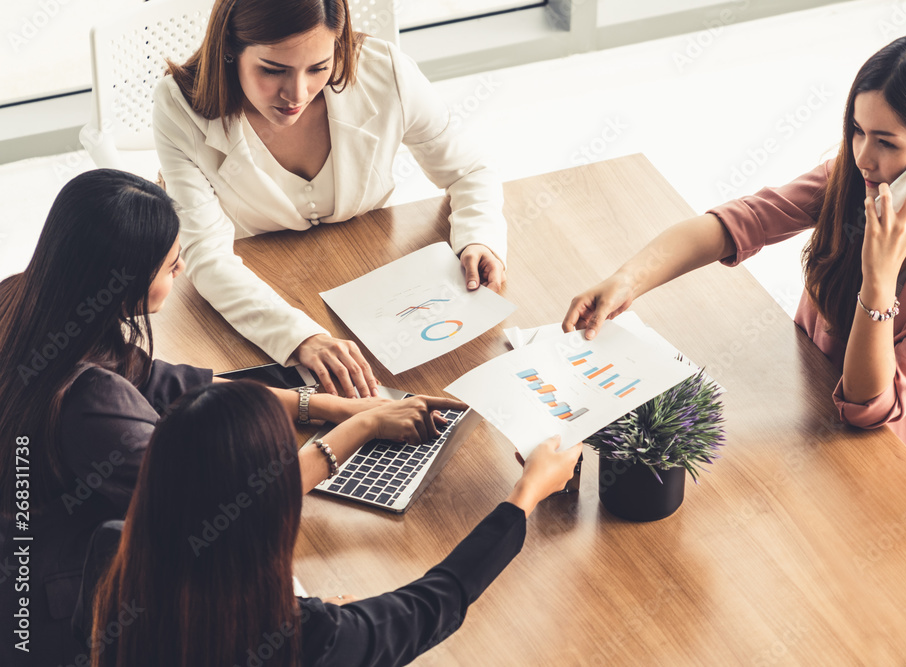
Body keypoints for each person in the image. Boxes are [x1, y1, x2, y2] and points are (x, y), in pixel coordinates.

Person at [0, 169, 464, 666]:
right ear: (124, 284)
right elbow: (229, 501)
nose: (180, 273)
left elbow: (166, 381)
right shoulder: (92, 404)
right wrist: (358, 429)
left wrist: (326, 404)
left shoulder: (25, 299)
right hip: (58, 620)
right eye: (172, 267)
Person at [563, 33, 906, 537]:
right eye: (857, 131)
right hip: (816, 409)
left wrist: (879, 275)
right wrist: (627, 279)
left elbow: (868, 404)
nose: (863, 156)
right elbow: (744, 221)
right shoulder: (855, 182)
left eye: (886, 142)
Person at [72, 380, 580, 666]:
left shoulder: (112, 552)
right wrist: (526, 493)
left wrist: (360, 422)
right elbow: (436, 601)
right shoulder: (302, 640)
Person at [154, 0, 507, 399]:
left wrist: (479, 237)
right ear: (230, 48)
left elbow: (467, 170)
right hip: (258, 291)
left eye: (318, 67)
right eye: (273, 70)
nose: (297, 93)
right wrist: (299, 337)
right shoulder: (177, 106)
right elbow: (207, 254)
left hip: (372, 278)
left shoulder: (385, 70)